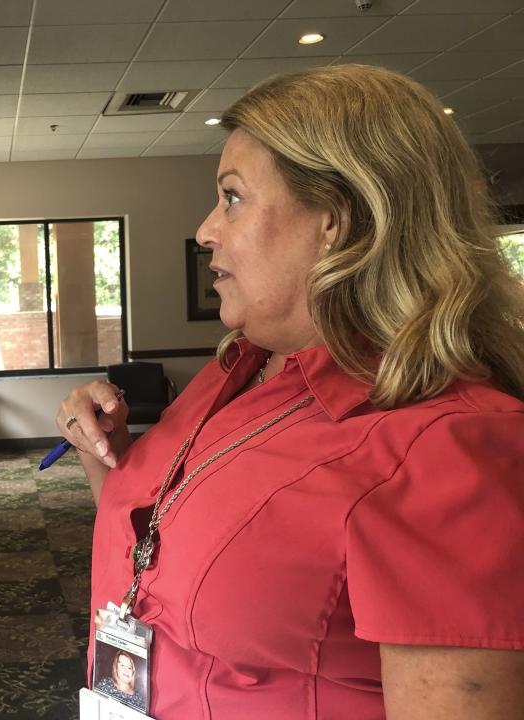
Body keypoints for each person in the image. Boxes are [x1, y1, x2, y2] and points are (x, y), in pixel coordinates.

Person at [56, 63, 524, 719]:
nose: (206, 229)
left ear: (336, 220)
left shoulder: (449, 445)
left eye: (234, 197)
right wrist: (98, 450)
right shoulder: (237, 371)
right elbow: (154, 547)